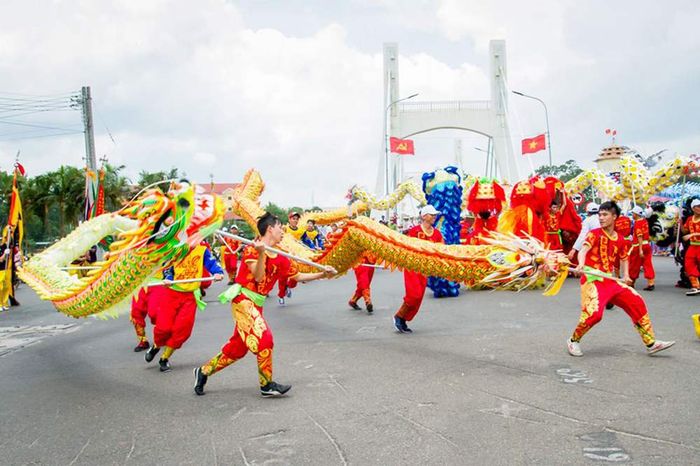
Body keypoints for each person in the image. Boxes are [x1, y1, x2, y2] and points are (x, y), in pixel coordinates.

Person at [193, 212, 336, 397]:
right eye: (280, 228)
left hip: (256, 304)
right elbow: (259, 276)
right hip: (243, 300)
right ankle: (266, 384)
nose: (283, 231)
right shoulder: (252, 249)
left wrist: (323, 274)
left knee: (237, 349)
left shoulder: (281, 256)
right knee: (265, 339)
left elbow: (298, 276)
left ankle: (203, 371)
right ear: (270, 229)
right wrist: (261, 253)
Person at [567, 201, 674, 357]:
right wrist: (581, 264)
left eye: (605, 215)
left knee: (637, 301)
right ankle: (573, 340)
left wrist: (626, 275)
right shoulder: (594, 234)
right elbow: (583, 251)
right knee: (594, 314)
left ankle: (651, 343)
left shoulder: (622, 239)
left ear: (614, 216)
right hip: (592, 279)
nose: (601, 218)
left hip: (610, 280)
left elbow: (624, 258)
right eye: (600, 215)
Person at [144, 243, 224, 372]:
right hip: (172, 294)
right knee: (164, 327)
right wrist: (168, 278)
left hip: (190, 297)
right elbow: (168, 268)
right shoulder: (175, 249)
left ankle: (164, 358)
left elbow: (212, 264)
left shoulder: (202, 251)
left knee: (182, 330)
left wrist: (218, 273)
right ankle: (156, 346)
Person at [393, 205, 443, 333]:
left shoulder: (437, 234)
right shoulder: (414, 231)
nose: (434, 217)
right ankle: (398, 316)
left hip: (424, 270)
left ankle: (403, 319)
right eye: (432, 214)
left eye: (435, 214)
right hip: (412, 267)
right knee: (413, 295)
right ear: (424, 216)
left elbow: (441, 251)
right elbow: (407, 248)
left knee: (419, 297)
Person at [278, 211, 305, 305]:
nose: (295, 220)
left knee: (295, 276)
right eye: (293, 218)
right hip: (285, 254)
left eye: (297, 219)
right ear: (289, 219)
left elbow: (307, 241)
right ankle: (281, 296)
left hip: (295, 256)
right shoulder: (284, 229)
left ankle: (288, 287)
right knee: (282, 277)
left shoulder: (301, 230)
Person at [629, 205, 655, 291]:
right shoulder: (645, 221)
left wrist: (640, 249)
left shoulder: (637, 223)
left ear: (636, 214)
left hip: (638, 246)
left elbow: (639, 236)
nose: (632, 214)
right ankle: (651, 282)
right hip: (647, 245)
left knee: (634, 265)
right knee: (647, 264)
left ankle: (631, 282)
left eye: (633, 213)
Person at [682, 199, 700, 295]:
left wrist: (692, 235)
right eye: (698, 206)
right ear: (693, 208)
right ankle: (696, 286)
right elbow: (685, 231)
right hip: (693, 246)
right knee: (689, 265)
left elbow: (689, 234)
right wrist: (680, 223)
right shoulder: (689, 219)